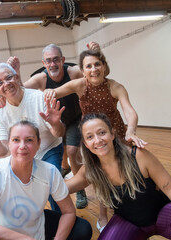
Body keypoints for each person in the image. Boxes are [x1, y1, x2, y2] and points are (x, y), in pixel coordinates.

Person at [44, 48, 148, 230]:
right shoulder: (79, 85)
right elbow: (54, 92)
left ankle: (129, 207)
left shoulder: (115, 87)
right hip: (93, 139)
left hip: (115, 136)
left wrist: (131, 131)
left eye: (97, 64)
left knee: (123, 172)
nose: (93, 70)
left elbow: (130, 111)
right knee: (99, 174)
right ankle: (102, 215)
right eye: (88, 66)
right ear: (83, 71)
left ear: (104, 67)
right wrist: (41, 94)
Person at [66, 113, 171, 240]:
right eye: (90, 137)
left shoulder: (138, 156)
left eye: (102, 132)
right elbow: (64, 187)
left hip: (162, 215)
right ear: (85, 143)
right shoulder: (90, 170)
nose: (97, 140)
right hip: (129, 223)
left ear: (112, 134)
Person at [3, 42, 100, 209]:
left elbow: (96, 74)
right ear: (44, 63)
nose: (52, 64)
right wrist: (15, 72)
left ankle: (80, 190)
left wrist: (96, 54)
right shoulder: (41, 78)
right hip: (53, 122)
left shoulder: (74, 71)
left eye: (56, 60)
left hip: (74, 119)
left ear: (62, 60)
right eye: (48, 61)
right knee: (59, 149)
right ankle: (64, 167)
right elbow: (19, 89)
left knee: (71, 150)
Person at [0, 120, 92, 240]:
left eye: (29, 140)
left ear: (38, 144)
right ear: (9, 144)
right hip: (5, 235)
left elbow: (69, 212)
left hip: (38, 230)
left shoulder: (49, 171)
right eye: (16, 140)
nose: (22, 146)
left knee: (82, 229)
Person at [0, 63, 66, 212]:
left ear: (16, 78)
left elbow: (59, 133)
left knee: (50, 185)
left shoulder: (39, 98)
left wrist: (56, 125)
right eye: (0, 82)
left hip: (49, 149)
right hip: (23, 156)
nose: (6, 84)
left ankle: (62, 219)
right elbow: (3, 151)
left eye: (9, 78)